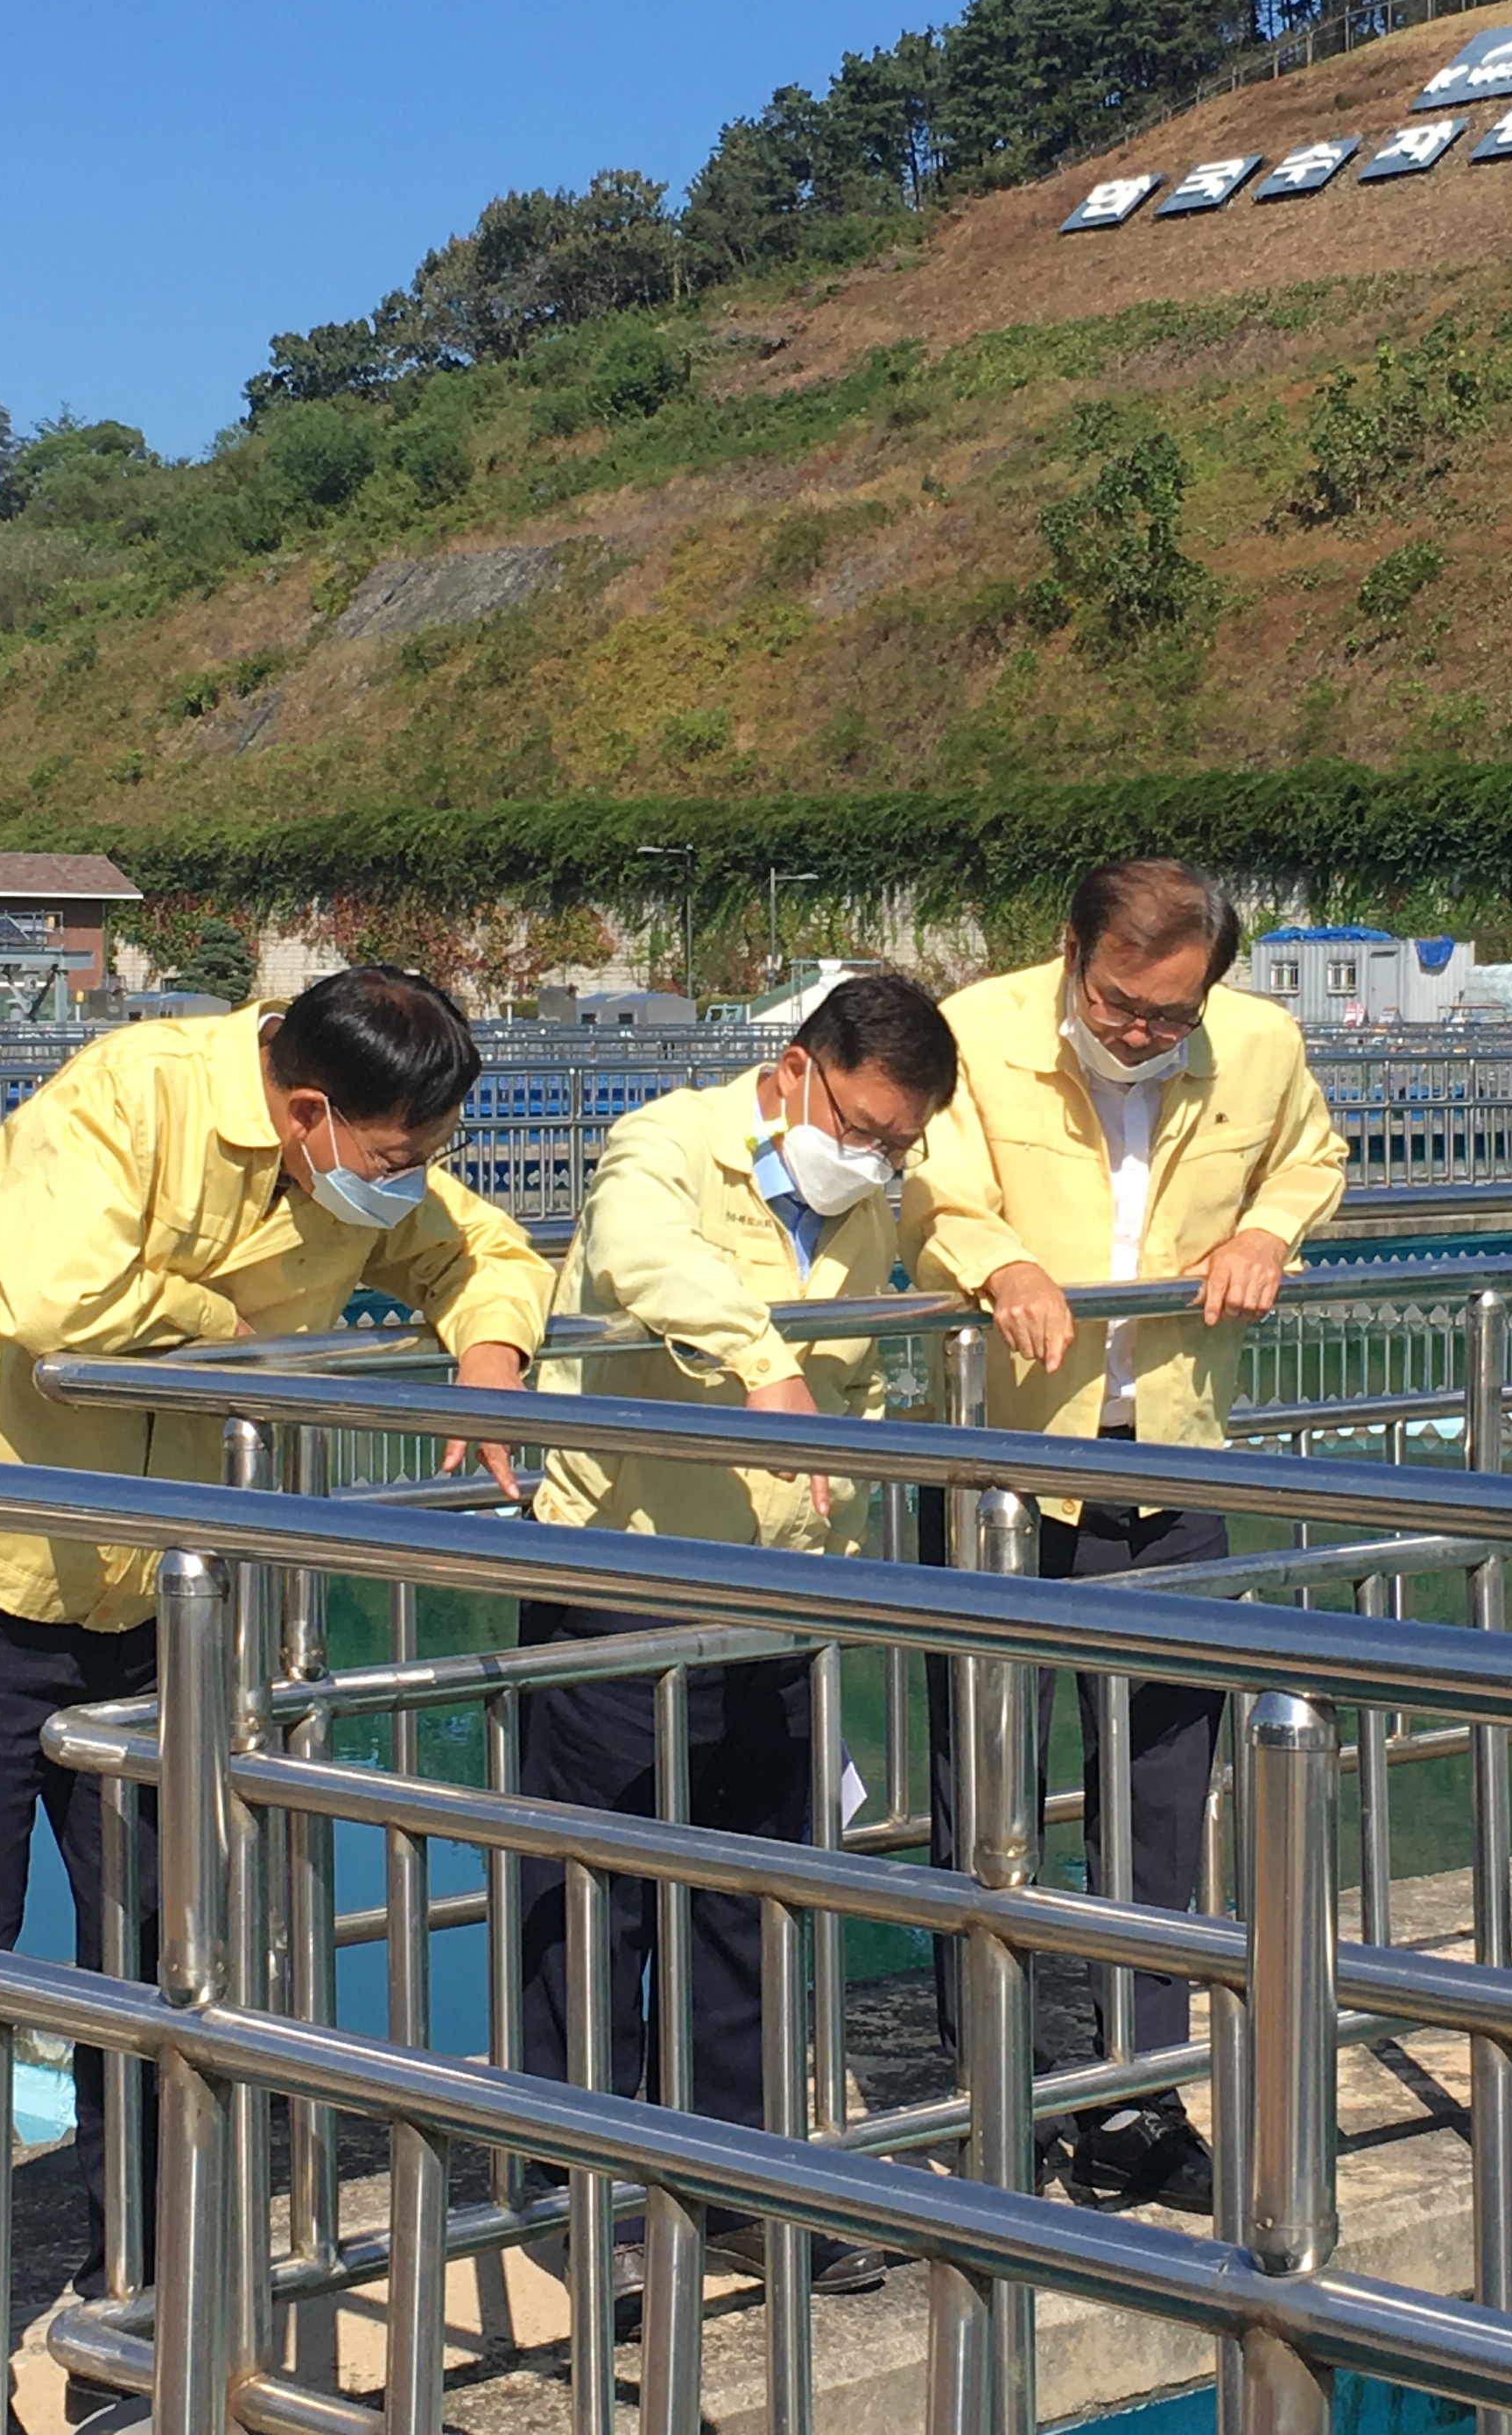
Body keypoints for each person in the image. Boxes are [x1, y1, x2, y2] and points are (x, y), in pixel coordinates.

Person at [0, 966, 552, 2434]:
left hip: (169, 1604)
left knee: (168, 1968)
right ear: (309, 1109)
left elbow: (478, 1249)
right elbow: (62, 1301)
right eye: (388, 1159)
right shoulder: (125, 1102)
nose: (403, 1186)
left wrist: (491, 1340)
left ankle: (151, 2317)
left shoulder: (362, 1156)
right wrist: (244, 1317)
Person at [903, 859, 1347, 2213]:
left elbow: (1313, 1155)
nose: (1142, 1032)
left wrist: (1271, 1228)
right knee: (989, 1791)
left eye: (1170, 1012)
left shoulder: (1261, 1044)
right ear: (1070, 956)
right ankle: (991, 2092)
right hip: (999, 1465)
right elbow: (924, 1184)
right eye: (1118, 1003)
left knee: (1165, 1790)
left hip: (1171, 1452)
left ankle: (1138, 2104)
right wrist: (999, 1263)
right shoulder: (975, 1033)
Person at [516, 971, 960, 2315]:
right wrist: (760, 1357)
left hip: (775, 1592)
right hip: (626, 1576)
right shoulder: (663, 1143)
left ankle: (739, 2181)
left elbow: (864, 1377)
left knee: (753, 1904)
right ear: (794, 1073)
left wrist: (856, 1491)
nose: (878, 1159)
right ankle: (586, 2190)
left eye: (901, 1142)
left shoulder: (861, 1199)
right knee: (597, 1902)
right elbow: (642, 1262)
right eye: (867, 1127)